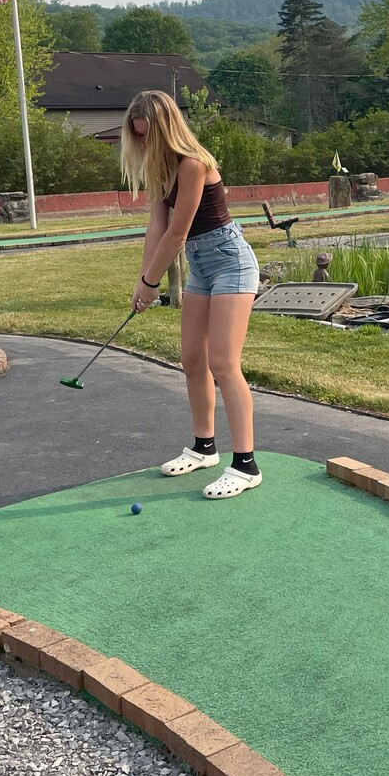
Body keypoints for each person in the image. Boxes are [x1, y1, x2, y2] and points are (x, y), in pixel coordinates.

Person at [121, 89, 262, 499]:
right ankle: (205, 447)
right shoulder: (160, 168)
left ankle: (246, 464)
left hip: (231, 261)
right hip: (202, 268)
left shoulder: (193, 164)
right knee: (192, 359)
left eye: (148, 135)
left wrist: (152, 285)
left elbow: (177, 234)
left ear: (167, 130)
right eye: (139, 136)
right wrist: (141, 281)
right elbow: (156, 227)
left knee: (223, 361)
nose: (144, 143)